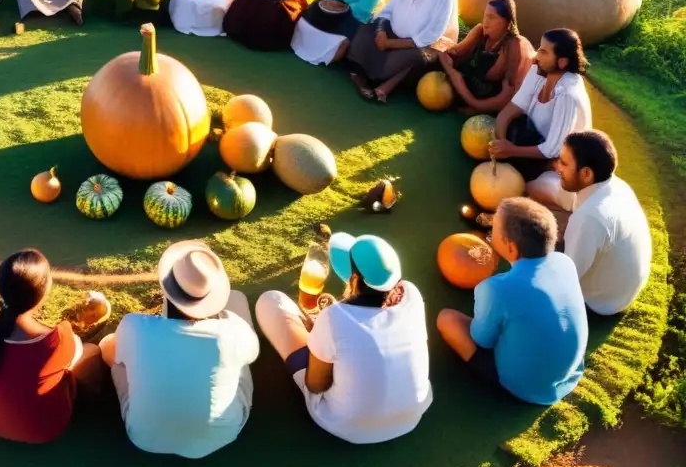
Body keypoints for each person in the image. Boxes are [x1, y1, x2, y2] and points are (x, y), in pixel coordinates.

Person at [255, 234, 432, 444]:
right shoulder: (411, 293)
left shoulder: (334, 317)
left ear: (355, 280)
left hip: (346, 425)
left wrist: (321, 334)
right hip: (410, 416)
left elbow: (316, 385)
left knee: (270, 301)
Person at [98, 241, 259, 459]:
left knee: (112, 347)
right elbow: (252, 354)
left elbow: (109, 352)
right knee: (238, 303)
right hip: (223, 435)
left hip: (144, 437)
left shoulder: (134, 326)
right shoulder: (233, 331)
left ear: (168, 289)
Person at [437, 197, 588, 405]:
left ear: (511, 247)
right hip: (570, 374)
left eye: (495, 228)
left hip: (526, 387)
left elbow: (482, 340)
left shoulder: (495, 288)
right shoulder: (565, 263)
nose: (490, 228)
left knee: (447, 320)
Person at [0, 249, 103, 443]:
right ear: (44, 292)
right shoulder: (57, 337)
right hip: (42, 431)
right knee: (92, 351)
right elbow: (76, 355)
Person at [490, 28, 593, 212]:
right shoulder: (538, 71)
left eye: (544, 52)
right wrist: (501, 144)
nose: (537, 56)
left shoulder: (568, 94)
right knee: (510, 127)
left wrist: (510, 150)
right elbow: (508, 112)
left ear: (562, 62)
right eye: (539, 49)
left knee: (527, 190)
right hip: (529, 139)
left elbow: (552, 150)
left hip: (556, 163)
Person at [346, 0, 458, 103]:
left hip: (418, 46)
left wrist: (390, 44)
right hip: (391, 34)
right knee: (364, 29)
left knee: (416, 59)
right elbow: (388, 11)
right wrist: (381, 32)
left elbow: (430, 36)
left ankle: (381, 85)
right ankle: (363, 77)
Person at [555, 130, 652, 315]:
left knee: (525, 252)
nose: (557, 167)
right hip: (622, 286)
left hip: (600, 302)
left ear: (585, 173)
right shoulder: (616, 185)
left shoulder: (589, 217)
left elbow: (567, 279)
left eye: (564, 163)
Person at [437, 0, 535, 114]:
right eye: (485, 16)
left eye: (491, 18)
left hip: (488, 97)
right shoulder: (480, 31)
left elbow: (507, 96)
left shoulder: (513, 45)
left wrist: (476, 105)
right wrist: (452, 71)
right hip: (470, 85)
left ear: (507, 22)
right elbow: (452, 52)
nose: (486, 23)